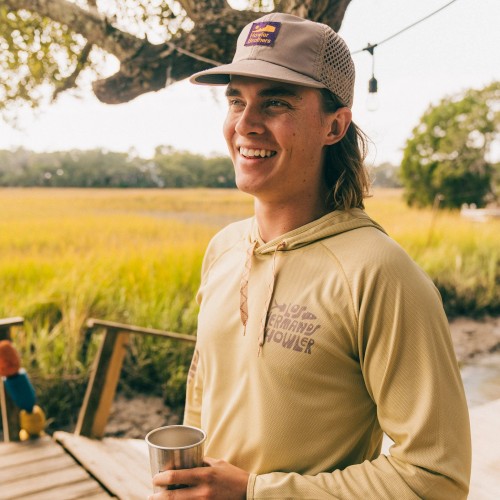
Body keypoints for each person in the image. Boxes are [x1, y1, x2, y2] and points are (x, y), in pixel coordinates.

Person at [151, 12, 471, 499]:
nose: (245, 123)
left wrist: (255, 492)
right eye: (236, 100)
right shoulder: (224, 249)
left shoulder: (380, 274)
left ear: (334, 125)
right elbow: (204, 395)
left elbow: (437, 477)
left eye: (275, 103)